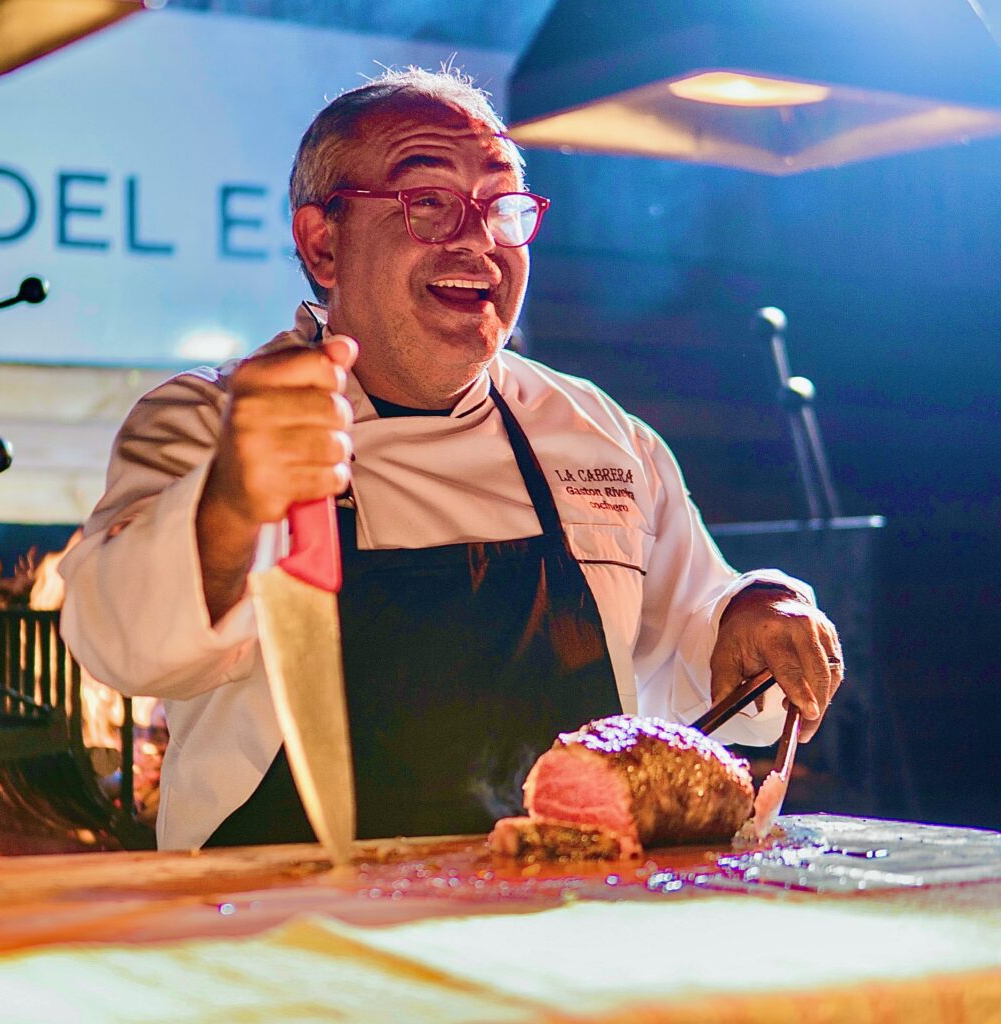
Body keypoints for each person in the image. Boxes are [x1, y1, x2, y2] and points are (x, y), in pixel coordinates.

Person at [60, 67, 843, 851]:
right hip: (287, 933)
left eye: (502, 206)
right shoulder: (208, 419)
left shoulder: (598, 434)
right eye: (428, 203)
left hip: (563, 920)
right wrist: (231, 501)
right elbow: (121, 643)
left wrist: (758, 607)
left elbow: (702, 640)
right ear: (323, 242)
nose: (478, 241)